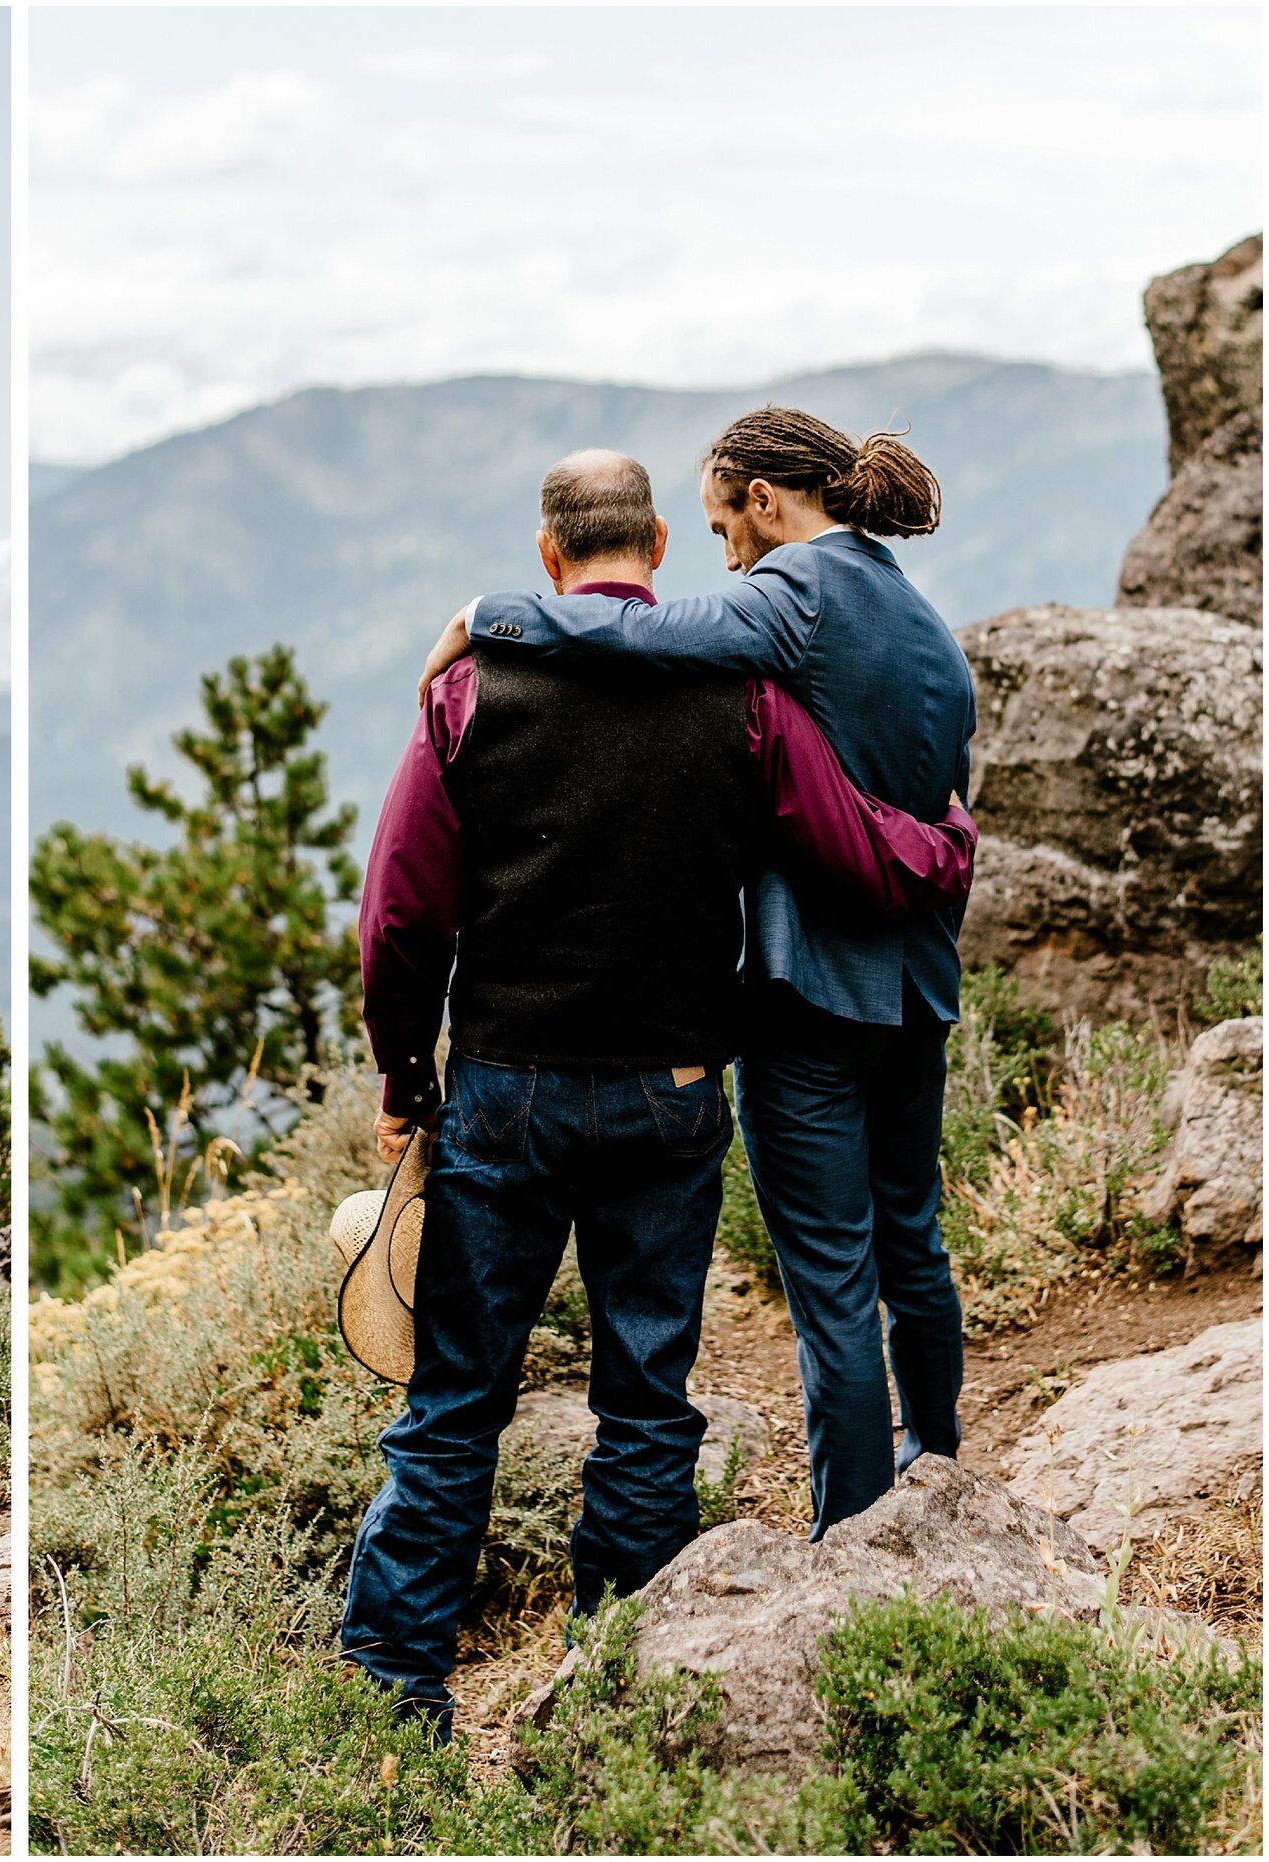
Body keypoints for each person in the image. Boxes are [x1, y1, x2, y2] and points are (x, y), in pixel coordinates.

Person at [342, 449, 975, 1735]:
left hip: (504, 1093)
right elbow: (855, 850)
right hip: (672, 1093)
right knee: (644, 1401)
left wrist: (407, 1080)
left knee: (456, 1398)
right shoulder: (741, 698)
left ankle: (393, 1691)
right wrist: (949, 843)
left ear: (546, 556)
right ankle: (613, 1671)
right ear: (659, 552)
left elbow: (401, 918)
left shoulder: (468, 691)